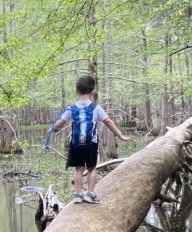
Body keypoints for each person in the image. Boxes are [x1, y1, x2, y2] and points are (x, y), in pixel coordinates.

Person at [49, 75, 131, 204]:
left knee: (78, 169)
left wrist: (53, 130)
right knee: (92, 168)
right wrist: (120, 136)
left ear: (76, 92)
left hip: (75, 144)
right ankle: (90, 194)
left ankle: (77, 194)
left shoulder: (71, 108)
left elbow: (59, 124)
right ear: (92, 92)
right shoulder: (95, 108)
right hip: (91, 143)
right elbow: (108, 122)